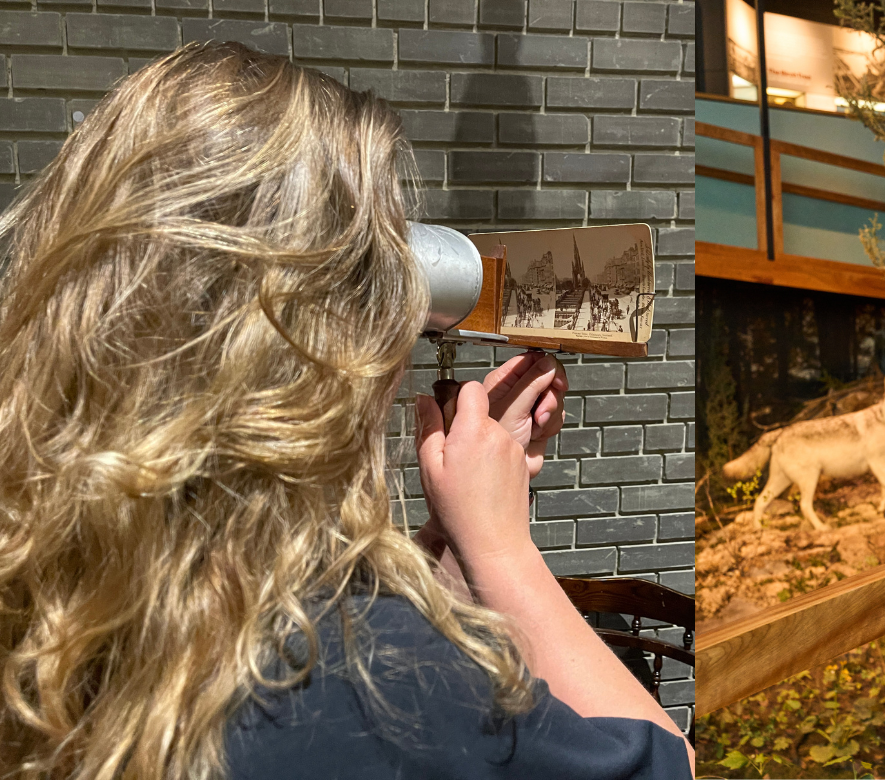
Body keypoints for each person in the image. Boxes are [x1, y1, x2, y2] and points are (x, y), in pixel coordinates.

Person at [0, 43, 692, 778]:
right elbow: (668, 767)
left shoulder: (53, 594)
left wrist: (446, 565)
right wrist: (499, 548)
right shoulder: (372, 683)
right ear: (329, 352)